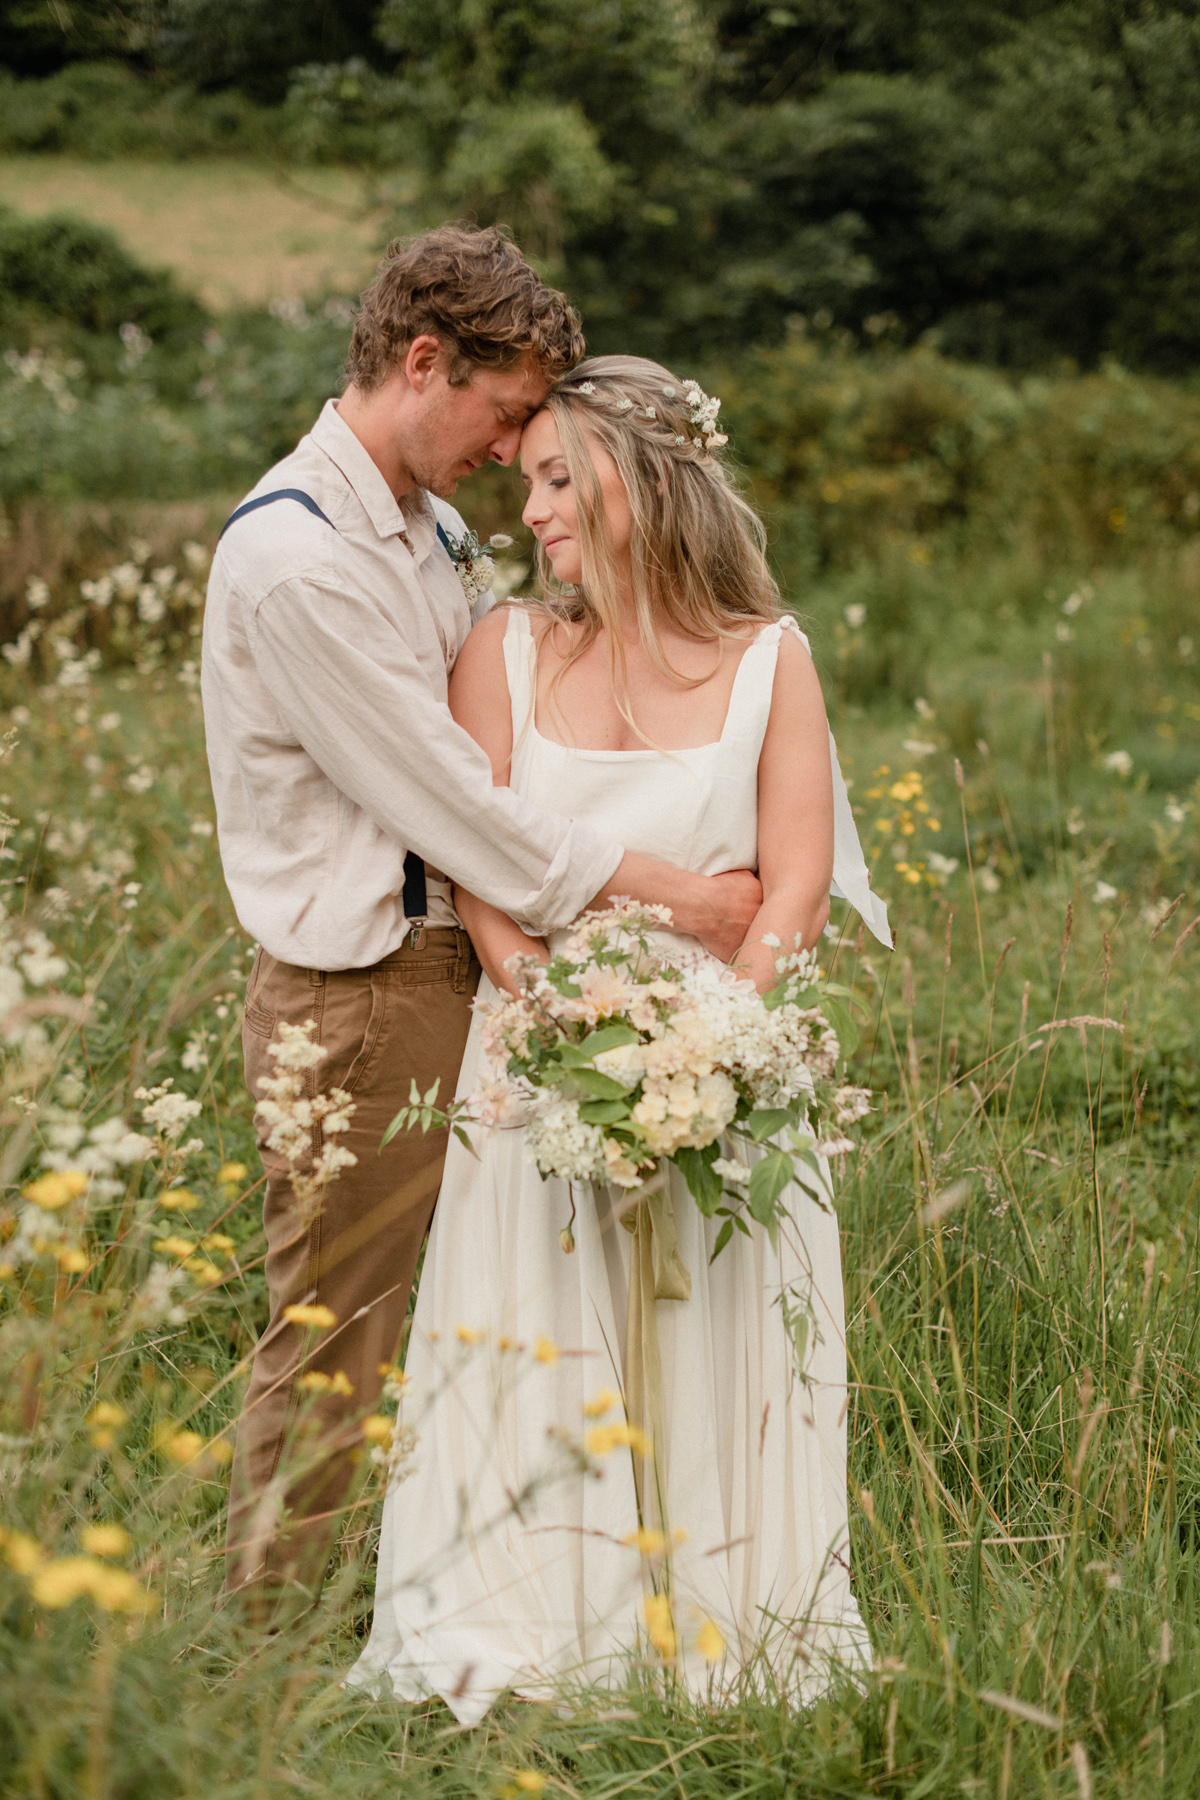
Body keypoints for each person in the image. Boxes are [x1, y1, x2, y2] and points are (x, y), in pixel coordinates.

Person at [202, 234, 765, 1621]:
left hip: (469, 967)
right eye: (506, 413)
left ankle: (456, 1604)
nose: (513, 451)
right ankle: (265, 1652)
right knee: (338, 1331)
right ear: (421, 362)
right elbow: (461, 808)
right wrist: (680, 890)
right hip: (366, 989)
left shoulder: (426, 526)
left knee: (478, 1313)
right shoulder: (298, 561)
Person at [349, 355, 890, 1720]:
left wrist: (715, 1045)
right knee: (542, 1338)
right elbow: (481, 869)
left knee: (715, 1332)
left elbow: (796, 886)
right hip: (537, 1056)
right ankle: (541, 1631)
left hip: (726, 1060)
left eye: (552, 481)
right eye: (522, 480)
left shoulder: (775, 661)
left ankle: (726, 1633)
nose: (527, 513)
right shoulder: (504, 651)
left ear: (639, 484)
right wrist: (552, 1021)